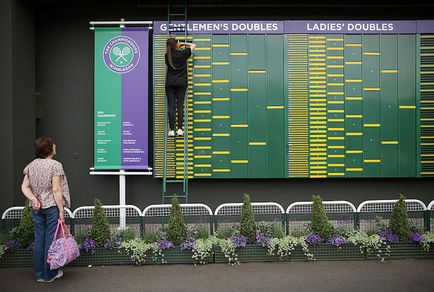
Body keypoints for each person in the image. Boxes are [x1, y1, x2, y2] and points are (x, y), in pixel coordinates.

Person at [21, 136, 71, 283]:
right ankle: (50, 274)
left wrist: (34, 199)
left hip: (37, 208)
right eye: (52, 144)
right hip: (51, 207)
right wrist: (61, 210)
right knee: (51, 239)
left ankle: (39, 274)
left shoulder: (31, 166)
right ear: (49, 149)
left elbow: (24, 187)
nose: (55, 145)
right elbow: (56, 189)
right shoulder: (55, 165)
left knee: (39, 239)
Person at [165, 37, 196, 137]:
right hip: (181, 83)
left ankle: (171, 130)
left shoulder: (167, 55)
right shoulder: (183, 54)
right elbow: (193, 45)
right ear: (176, 44)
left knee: (171, 106)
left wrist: (176, 46)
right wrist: (183, 44)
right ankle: (179, 129)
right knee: (180, 106)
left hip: (170, 83)